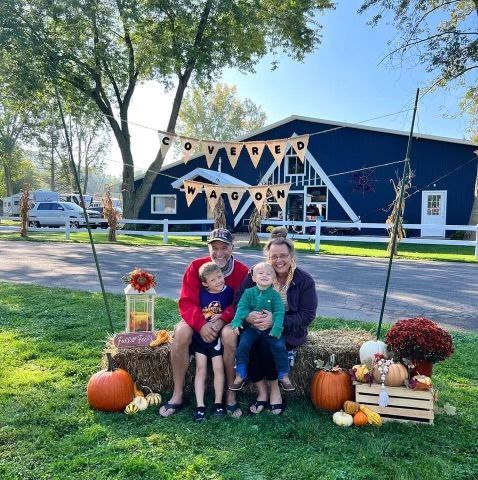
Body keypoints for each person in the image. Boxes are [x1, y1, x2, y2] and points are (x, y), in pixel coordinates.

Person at [159, 228, 249, 418]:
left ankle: (230, 396)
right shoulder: (196, 267)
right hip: (198, 319)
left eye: (224, 247)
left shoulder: (241, 271)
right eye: (214, 248)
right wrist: (201, 325)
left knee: (229, 334)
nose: (219, 253)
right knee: (181, 333)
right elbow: (186, 301)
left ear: (232, 248)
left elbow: (241, 303)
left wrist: (222, 320)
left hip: (226, 320)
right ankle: (178, 395)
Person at [233, 226, 317, 415]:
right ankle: (262, 392)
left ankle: (275, 391)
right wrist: (247, 316)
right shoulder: (256, 273)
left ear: (291, 255)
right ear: (267, 257)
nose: (279, 261)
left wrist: (277, 321)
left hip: (286, 329)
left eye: (283, 256)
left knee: (266, 344)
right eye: (274, 256)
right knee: (247, 342)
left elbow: (307, 316)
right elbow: (239, 300)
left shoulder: (304, 280)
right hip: (254, 325)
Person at [229, 262, 294, 392]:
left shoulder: (275, 295)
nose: (264, 275)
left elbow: (279, 312)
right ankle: (240, 373)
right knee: (243, 346)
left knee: (280, 346)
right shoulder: (248, 293)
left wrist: (276, 328)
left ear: (274, 279)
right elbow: (242, 308)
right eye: (260, 273)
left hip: (270, 329)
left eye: (269, 274)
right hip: (252, 329)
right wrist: (236, 322)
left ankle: (283, 375)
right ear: (253, 278)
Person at [190, 262, 234, 421]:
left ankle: (218, 403)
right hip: (201, 337)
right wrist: (204, 323)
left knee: (218, 367)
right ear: (205, 283)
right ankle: (200, 406)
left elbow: (232, 309)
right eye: (213, 280)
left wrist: (222, 317)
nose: (218, 281)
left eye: (220, 277)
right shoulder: (202, 294)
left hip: (217, 339)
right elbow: (196, 310)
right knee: (200, 369)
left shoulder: (228, 292)